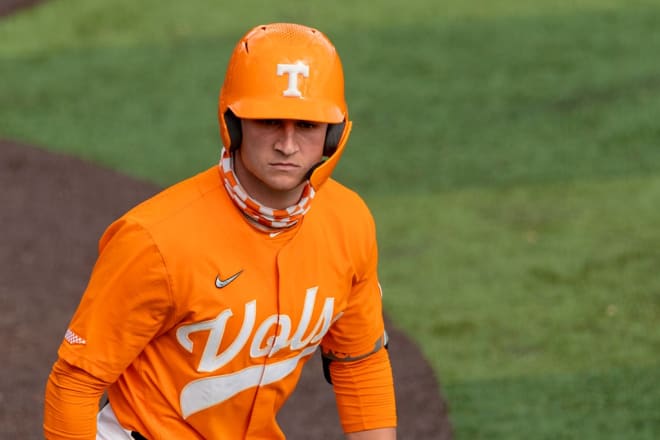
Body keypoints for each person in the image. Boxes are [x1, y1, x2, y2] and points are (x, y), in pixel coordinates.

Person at [43, 22, 397, 439]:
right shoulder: (155, 239)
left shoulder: (348, 222)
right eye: (269, 121)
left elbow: (359, 361)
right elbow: (75, 383)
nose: (287, 144)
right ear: (234, 122)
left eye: (306, 125)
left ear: (334, 135)